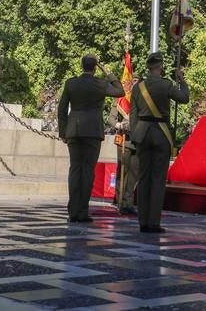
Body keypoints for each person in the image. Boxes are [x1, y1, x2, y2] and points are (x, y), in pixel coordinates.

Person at [58, 55, 124, 223]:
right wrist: (107, 72)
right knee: (88, 172)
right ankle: (82, 211)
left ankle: (73, 210)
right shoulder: (100, 83)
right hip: (92, 132)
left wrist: (63, 131)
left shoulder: (71, 83)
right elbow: (120, 90)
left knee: (75, 170)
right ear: (95, 67)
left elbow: (62, 107)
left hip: (74, 131)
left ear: (82, 66)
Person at [130, 51, 189, 234]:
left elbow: (133, 115)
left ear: (148, 67)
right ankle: (153, 222)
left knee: (143, 178)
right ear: (161, 66)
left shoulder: (137, 88)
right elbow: (184, 98)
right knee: (157, 180)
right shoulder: (166, 85)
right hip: (161, 133)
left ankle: (142, 221)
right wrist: (182, 80)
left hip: (142, 133)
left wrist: (135, 136)